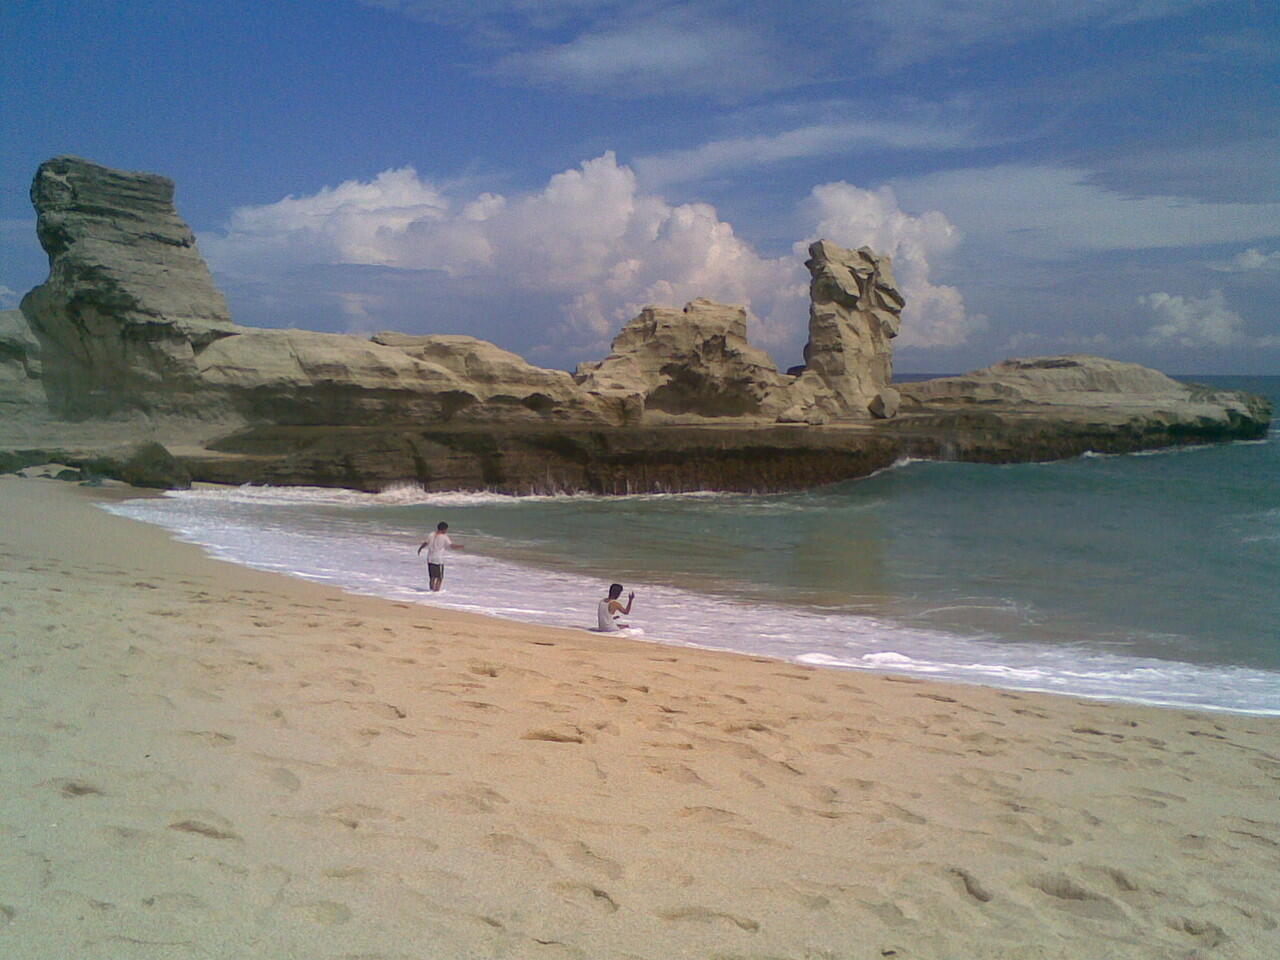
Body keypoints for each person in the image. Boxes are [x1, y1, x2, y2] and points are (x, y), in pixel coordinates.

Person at [417, 521, 462, 592]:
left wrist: (420, 549)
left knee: (432, 577)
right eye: (446, 529)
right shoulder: (444, 537)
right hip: (438, 560)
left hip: (430, 558)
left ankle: (431, 590)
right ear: (444, 529)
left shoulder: (431, 534)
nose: (447, 531)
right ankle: (436, 591)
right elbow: (451, 546)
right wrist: (461, 546)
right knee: (439, 577)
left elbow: (425, 543)